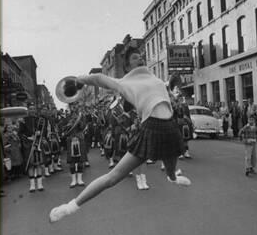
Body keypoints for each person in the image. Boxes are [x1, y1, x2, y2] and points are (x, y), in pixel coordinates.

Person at [49, 48, 190, 222]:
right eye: (135, 58)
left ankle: (172, 177)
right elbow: (100, 78)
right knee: (112, 178)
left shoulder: (155, 78)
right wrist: (80, 79)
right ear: (127, 65)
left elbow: (168, 94)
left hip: (170, 127)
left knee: (171, 166)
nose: (141, 59)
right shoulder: (124, 82)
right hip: (151, 127)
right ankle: (70, 207)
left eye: (141, 57)